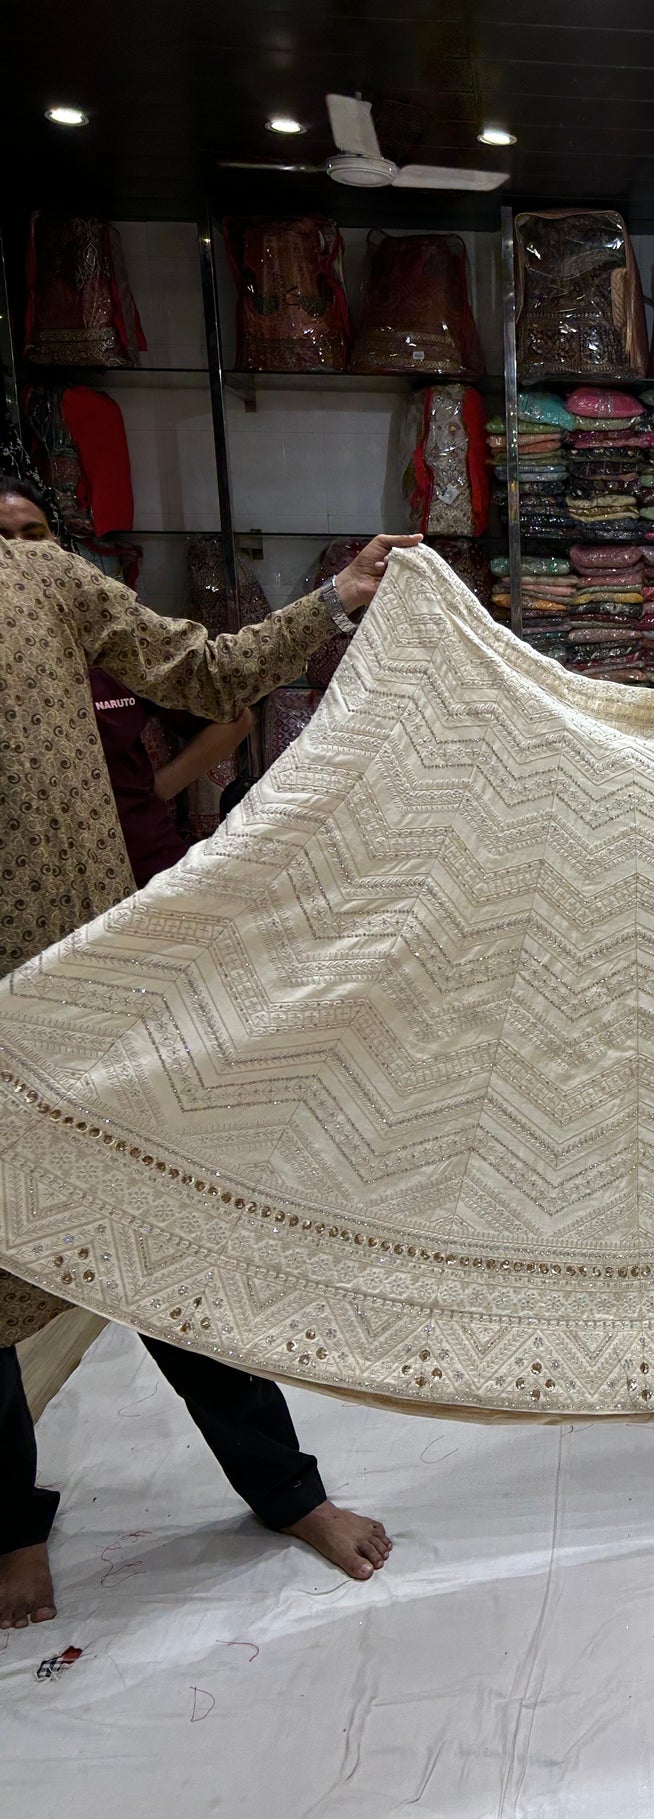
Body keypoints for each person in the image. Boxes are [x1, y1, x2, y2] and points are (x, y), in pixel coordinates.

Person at [0, 495, 423, 1629]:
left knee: (166, 1248)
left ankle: (286, 1494)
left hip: (87, 996)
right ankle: (8, 1524)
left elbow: (202, 669)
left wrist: (337, 599)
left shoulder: (40, 582)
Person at [0, 476, 255, 885]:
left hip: (147, 864)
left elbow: (229, 708)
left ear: (58, 547)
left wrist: (159, 788)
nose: (20, 556)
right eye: (3, 540)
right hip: (45, 886)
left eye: (33, 536)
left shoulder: (112, 646)